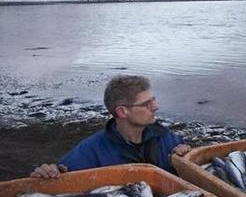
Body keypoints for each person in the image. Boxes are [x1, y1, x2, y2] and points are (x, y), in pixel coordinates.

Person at [30, 75, 191, 178]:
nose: (155, 107)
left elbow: (189, 171)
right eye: (146, 104)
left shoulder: (167, 138)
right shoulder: (91, 152)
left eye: (153, 100)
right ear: (122, 111)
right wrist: (49, 173)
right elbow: (61, 176)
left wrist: (185, 156)